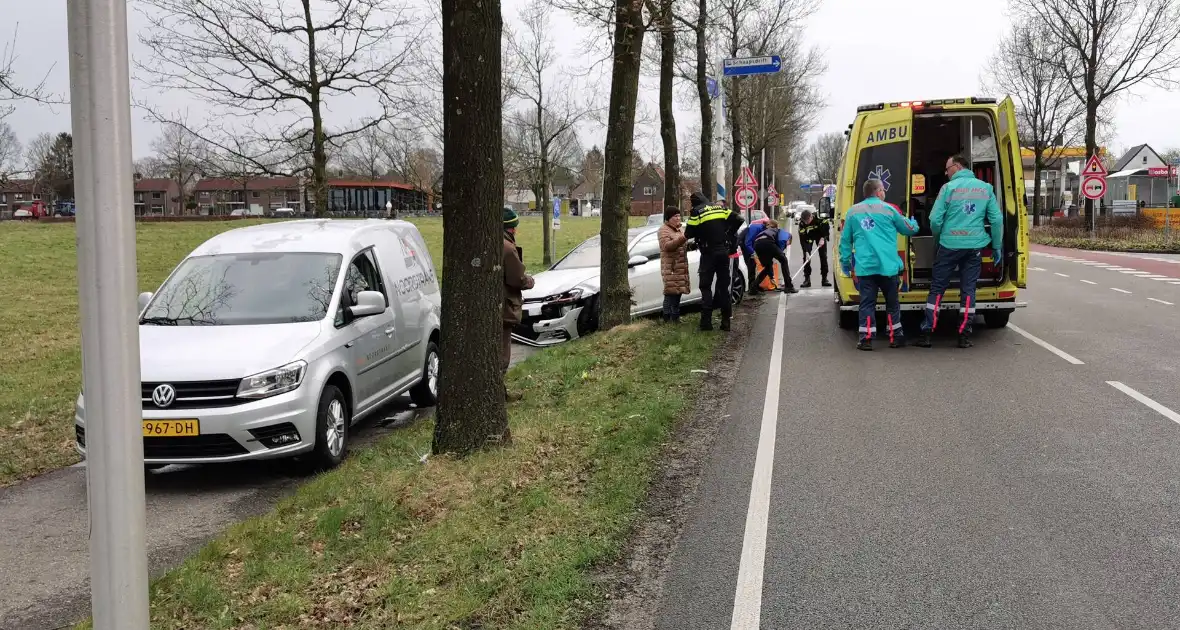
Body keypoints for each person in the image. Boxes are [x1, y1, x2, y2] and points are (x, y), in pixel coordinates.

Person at [915, 155, 1003, 349]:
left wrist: (938, 241)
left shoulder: (948, 189)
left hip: (949, 245)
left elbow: (935, 220)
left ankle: (928, 332)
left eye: (947, 169)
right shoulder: (986, 188)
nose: (946, 173)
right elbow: (996, 220)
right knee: (968, 290)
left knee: (937, 288)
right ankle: (963, 334)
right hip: (974, 248)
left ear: (956, 166)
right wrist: (996, 246)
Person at [838, 178, 919, 351]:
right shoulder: (889, 210)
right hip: (888, 268)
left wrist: (845, 264)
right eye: (883, 189)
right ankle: (896, 337)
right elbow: (909, 229)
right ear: (878, 191)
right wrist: (914, 222)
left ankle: (866, 339)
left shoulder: (853, 212)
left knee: (867, 304)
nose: (884, 192)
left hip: (865, 268)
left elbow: (845, 242)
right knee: (892, 303)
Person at [685, 191, 743, 331]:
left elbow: (688, 233)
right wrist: (727, 234)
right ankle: (726, 322)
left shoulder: (697, 212)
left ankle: (706, 323)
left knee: (705, 287)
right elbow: (739, 219)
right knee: (723, 288)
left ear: (693, 202)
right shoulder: (719, 208)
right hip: (723, 252)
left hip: (708, 254)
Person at [502, 208, 534, 399]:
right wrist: (530, 281)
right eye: (514, 228)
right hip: (504, 306)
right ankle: (498, 396)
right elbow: (518, 279)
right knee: (502, 354)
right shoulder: (507, 248)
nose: (516, 231)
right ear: (511, 228)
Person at [657, 206, 690, 323]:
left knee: (678, 292)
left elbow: (682, 245)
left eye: (678, 215)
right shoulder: (663, 230)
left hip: (680, 266)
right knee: (670, 293)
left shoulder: (679, 229)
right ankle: (667, 318)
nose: (678, 218)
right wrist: (683, 238)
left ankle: (675, 318)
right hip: (671, 267)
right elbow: (667, 246)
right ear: (669, 218)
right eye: (675, 216)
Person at [749, 219, 798, 293]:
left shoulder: (766, 231)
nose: (787, 245)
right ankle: (789, 286)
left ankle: (753, 288)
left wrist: (771, 277)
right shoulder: (785, 235)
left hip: (757, 244)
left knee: (768, 267)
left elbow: (774, 251)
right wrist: (781, 254)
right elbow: (779, 249)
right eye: (788, 243)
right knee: (784, 260)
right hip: (768, 242)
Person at [798, 209, 831, 288]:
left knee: (823, 256)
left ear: (811, 217)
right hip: (809, 237)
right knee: (806, 258)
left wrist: (823, 238)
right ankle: (807, 279)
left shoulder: (820, 218)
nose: (806, 222)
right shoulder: (802, 224)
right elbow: (803, 238)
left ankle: (824, 278)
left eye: (807, 221)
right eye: (804, 221)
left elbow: (826, 228)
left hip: (820, 236)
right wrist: (806, 251)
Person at [737, 215, 769, 291]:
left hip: (750, 245)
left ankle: (754, 285)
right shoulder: (756, 228)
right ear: (767, 226)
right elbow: (747, 243)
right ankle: (751, 287)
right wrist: (753, 253)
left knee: (753, 265)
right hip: (745, 245)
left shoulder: (763, 229)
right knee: (751, 265)